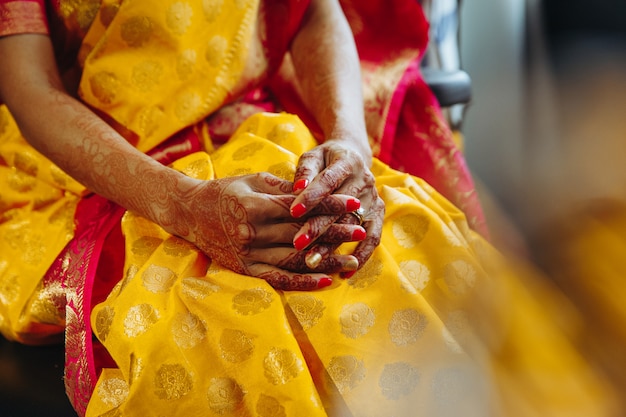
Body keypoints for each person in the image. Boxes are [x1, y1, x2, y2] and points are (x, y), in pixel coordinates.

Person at [0, 0, 619, 416]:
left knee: (413, 245)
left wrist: (351, 145)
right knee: (210, 318)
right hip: (106, 171)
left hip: (263, 133)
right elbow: (30, 88)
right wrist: (182, 206)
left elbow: (315, 16)